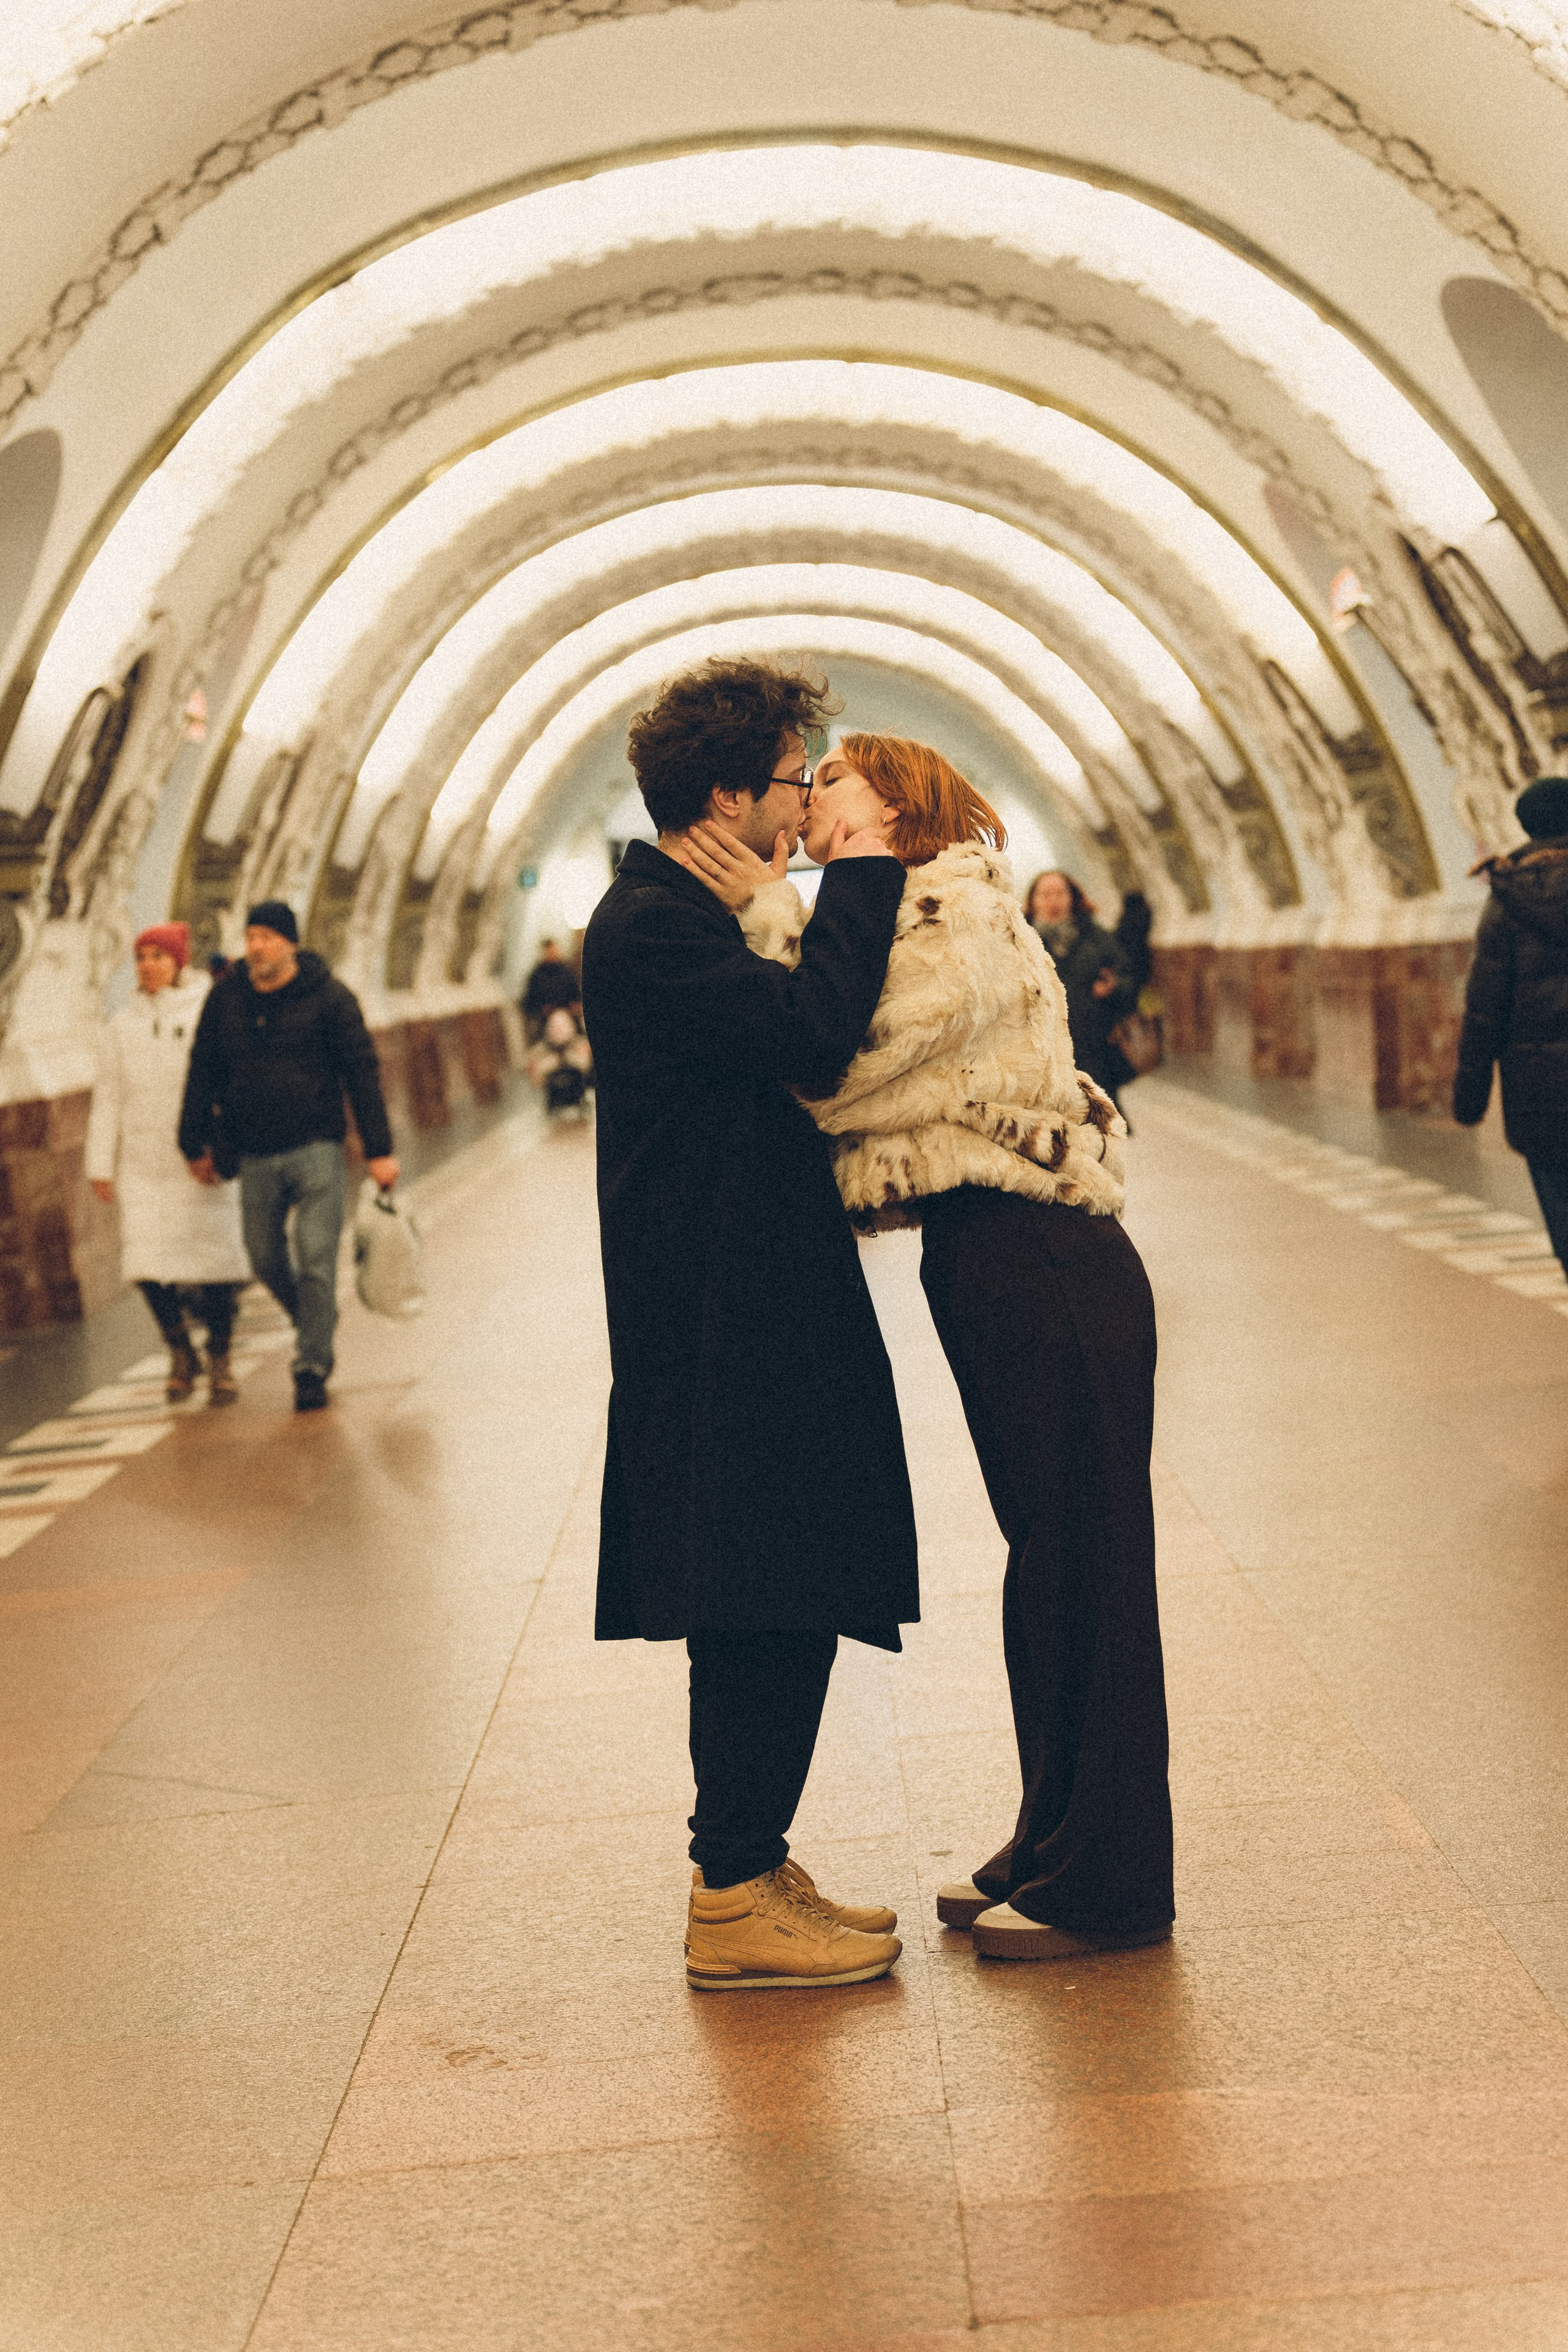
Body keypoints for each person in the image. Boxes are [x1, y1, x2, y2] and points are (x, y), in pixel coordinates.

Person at [687, 733, 1174, 1963]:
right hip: (996, 1254)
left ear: (891, 802)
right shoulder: (920, 906)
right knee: (1050, 1563)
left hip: (1043, 1259)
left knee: (1087, 1572)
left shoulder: (943, 908)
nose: (805, 805)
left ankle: (1107, 1886)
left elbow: (841, 1077)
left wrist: (762, 920)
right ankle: (1055, 1834)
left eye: (830, 781)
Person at [580, 657, 916, 1992]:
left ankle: (750, 1861)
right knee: (754, 1582)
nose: (803, 806)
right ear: (727, 789)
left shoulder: (683, 910)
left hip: (748, 1293)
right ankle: (729, 1886)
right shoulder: (656, 922)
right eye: (793, 781)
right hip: (722, 1313)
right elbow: (816, 1036)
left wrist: (779, 903)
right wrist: (856, 881)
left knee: (782, 1574)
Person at [178, 900, 398, 1412]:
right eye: (251, 936)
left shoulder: (330, 997)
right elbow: (202, 1069)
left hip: (317, 1145)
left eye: (268, 937)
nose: (256, 947)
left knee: (315, 1254)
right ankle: (316, 1323)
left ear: (290, 943)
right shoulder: (226, 999)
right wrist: (191, 1141)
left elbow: (361, 1073)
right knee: (263, 1255)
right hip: (253, 1150)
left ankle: (311, 1364)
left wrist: (380, 1150)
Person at [86, 922, 251, 1404]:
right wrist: (101, 1163)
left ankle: (220, 1355)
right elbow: (109, 1097)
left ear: (179, 962)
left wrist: (222, 1146)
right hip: (143, 1166)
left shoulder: (208, 1011)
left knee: (216, 1261)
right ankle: (180, 1351)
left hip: (199, 1161)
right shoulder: (122, 1025)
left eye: (159, 956)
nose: (149, 966)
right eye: (142, 958)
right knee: (145, 1263)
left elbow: (227, 1083)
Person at [1453, 775, 1568, 1265]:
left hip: (1538, 1091)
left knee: (1561, 1206)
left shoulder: (1506, 903)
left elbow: (1485, 1010)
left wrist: (1469, 1097)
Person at [1025, 869, 1136, 1104]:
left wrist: (1114, 986)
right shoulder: (1020, 941)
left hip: (1093, 1054)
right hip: (1037, 1058)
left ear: (1073, 898)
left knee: (1094, 1128)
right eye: (1045, 895)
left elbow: (1130, 984)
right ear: (1032, 901)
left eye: (1060, 894)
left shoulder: (1098, 939)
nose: (1053, 901)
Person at [520, 938, 580, 1036]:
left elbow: (576, 995)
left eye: (554, 950)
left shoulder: (567, 972)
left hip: (569, 1018)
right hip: (546, 1022)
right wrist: (542, 1010)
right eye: (550, 951)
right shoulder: (537, 976)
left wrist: (574, 1007)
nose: (553, 953)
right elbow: (531, 1002)